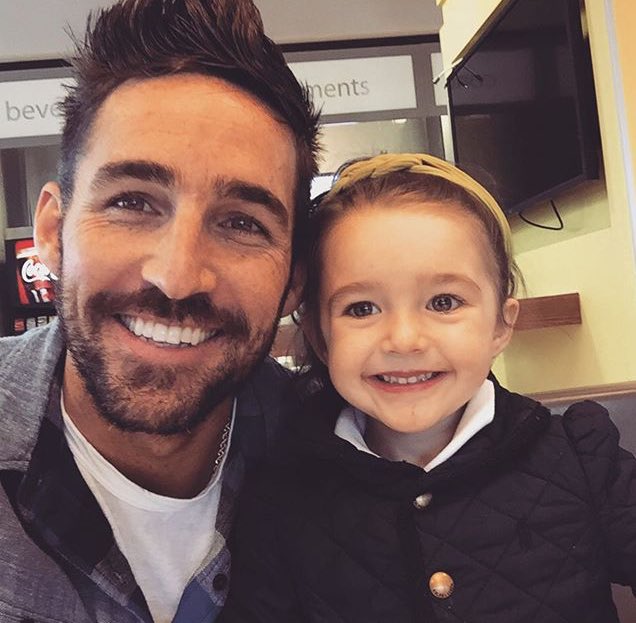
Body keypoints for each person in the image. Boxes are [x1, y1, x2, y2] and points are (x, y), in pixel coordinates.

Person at [0, 1, 319, 622]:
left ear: (294, 282)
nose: (176, 277)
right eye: (132, 203)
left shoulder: (342, 453)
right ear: (53, 233)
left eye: (241, 223)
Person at [219, 153, 636, 623]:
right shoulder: (283, 498)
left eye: (443, 302)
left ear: (501, 325)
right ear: (318, 335)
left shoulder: (581, 454)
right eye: (361, 308)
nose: (404, 340)